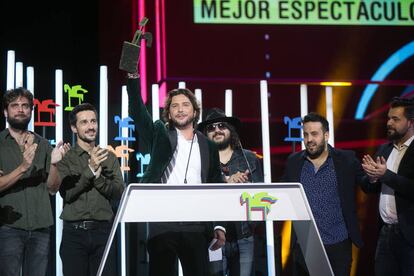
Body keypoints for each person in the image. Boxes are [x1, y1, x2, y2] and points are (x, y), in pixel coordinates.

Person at [126, 72, 225, 276]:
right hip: (163, 223)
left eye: (185, 105)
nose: (180, 109)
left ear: (195, 111)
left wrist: (219, 224)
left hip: (196, 225)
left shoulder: (208, 145)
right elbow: (137, 110)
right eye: (174, 106)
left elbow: (216, 184)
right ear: (168, 114)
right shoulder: (159, 134)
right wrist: (133, 78)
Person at [281, 112, 365, 276]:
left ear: (326, 135)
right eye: (305, 134)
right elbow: (282, 193)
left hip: (338, 242)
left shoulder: (346, 159)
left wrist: (376, 178)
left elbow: (366, 184)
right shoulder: (294, 161)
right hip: (305, 244)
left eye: (314, 134)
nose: (309, 139)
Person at [0, 87, 69, 276]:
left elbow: (53, 189)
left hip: (41, 228)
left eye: (25, 106)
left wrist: (55, 165)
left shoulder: (44, 145)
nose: (20, 109)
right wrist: (23, 167)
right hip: (8, 228)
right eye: (14, 106)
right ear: (6, 112)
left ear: (31, 111)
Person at [57, 103, 124, 276]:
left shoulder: (109, 157)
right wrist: (91, 170)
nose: (90, 126)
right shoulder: (66, 157)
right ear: (74, 128)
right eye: (84, 122)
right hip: (74, 234)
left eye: (93, 121)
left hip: (104, 232)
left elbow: (119, 192)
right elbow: (67, 193)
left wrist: (99, 178)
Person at [199, 108, 264, 276]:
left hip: (244, 236)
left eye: (222, 125)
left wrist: (246, 188)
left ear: (231, 130)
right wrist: (227, 181)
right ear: (206, 134)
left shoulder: (249, 158)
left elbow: (262, 197)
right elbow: (198, 196)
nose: (217, 130)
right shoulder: (200, 162)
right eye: (211, 128)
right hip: (212, 237)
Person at [361, 97, 414, 275]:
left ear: (410, 122)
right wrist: (372, 178)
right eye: (389, 118)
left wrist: (386, 175)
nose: (389, 123)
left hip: (410, 237)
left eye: (396, 119)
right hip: (385, 233)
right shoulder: (385, 149)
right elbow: (368, 187)